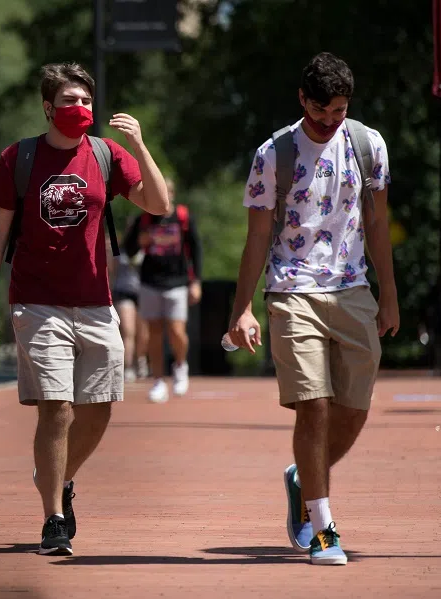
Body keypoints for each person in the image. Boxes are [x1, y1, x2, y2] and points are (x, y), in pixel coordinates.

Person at [0, 62, 170, 556]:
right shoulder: (18, 158)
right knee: (57, 409)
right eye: (69, 102)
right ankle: (53, 520)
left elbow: (159, 204)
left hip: (96, 302)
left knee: (100, 408)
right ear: (48, 107)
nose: (79, 109)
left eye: (85, 102)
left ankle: (58, 478)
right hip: (36, 301)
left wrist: (140, 144)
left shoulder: (106, 155)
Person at [227, 52, 398, 566]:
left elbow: (377, 224)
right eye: (320, 111)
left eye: (339, 111)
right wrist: (242, 309)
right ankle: (322, 526)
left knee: (354, 408)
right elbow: (257, 237)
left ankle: (304, 477)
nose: (328, 122)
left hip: (353, 288)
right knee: (314, 404)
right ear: (302, 100)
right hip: (291, 288)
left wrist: (388, 294)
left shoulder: (368, 145)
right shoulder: (273, 154)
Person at [123, 177, 202, 403]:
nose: (160, 196)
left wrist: (196, 281)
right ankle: (158, 381)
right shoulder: (144, 220)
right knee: (154, 334)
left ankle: (180, 364)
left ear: (172, 194)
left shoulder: (183, 218)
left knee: (176, 330)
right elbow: (128, 251)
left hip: (177, 282)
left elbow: (196, 250)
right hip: (150, 282)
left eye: (164, 192)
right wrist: (140, 241)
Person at [110, 216, 150, 382]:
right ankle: (128, 367)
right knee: (128, 330)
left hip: (144, 293)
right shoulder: (119, 248)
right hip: (123, 292)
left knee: (143, 334)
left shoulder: (148, 248)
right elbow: (112, 271)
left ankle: (140, 359)